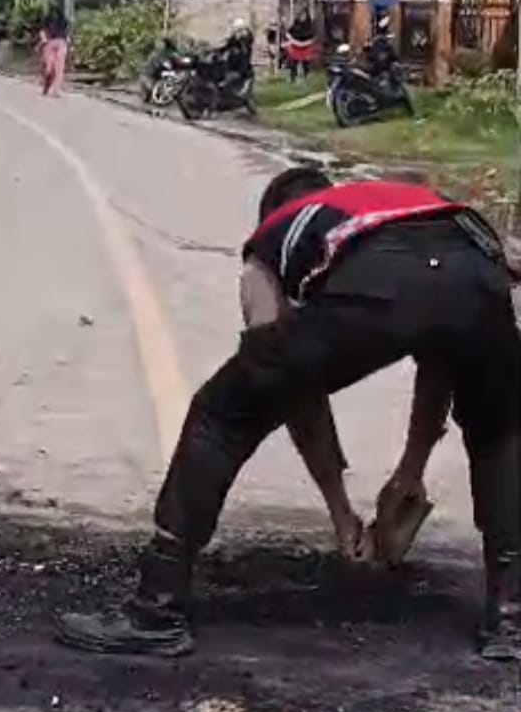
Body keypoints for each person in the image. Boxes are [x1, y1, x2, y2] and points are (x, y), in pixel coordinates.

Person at [58, 167, 521, 663]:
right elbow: (442, 361)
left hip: (392, 276)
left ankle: (155, 610)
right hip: (480, 274)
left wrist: (340, 509)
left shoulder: (272, 239)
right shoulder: (399, 202)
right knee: (500, 434)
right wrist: (410, 471)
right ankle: (511, 619)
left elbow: (282, 383)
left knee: (221, 415)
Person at [284, 0, 318, 82]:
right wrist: (289, 38)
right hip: (296, 45)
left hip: (306, 45)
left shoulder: (309, 24)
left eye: (304, 15)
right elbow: (290, 32)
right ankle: (293, 78)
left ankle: (306, 76)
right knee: (293, 62)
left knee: (305, 62)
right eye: (302, 15)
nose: (303, 17)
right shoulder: (296, 23)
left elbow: (311, 33)